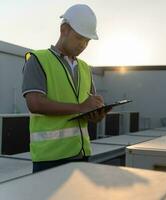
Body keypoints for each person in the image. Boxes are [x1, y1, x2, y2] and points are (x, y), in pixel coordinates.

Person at [22, 4, 106, 173]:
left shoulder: (85, 68)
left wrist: (96, 114)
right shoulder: (38, 59)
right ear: (64, 30)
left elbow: (87, 107)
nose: (83, 44)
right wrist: (81, 107)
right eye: (80, 38)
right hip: (50, 159)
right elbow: (35, 103)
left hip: (82, 155)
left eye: (87, 40)